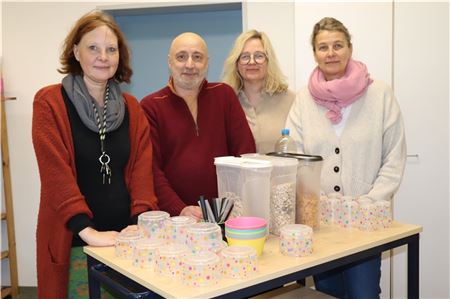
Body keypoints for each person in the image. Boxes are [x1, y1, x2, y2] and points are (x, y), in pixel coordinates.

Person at [32, 10, 158, 298]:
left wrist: (139, 225)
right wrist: (89, 233)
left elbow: (142, 172)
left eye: (111, 49)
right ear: (76, 51)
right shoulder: (49, 102)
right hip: (76, 239)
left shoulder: (132, 107)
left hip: (126, 241)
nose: (103, 56)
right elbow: (55, 175)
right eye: (93, 48)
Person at [285, 17, 406, 299]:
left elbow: (394, 156)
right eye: (323, 47)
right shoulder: (304, 99)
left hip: (366, 223)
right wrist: (313, 204)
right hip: (322, 224)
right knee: (327, 293)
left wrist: (370, 203)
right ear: (314, 53)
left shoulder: (380, 94)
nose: (331, 53)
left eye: (338, 45)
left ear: (350, 48)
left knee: (364, 294)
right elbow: (294, 155)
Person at [140, 32, 256, 219]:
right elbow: (151, 170)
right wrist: (180, 209)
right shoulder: (151, 106)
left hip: (228, 215)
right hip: (175, 220)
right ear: (170, 62)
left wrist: (233, 206)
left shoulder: (224, 96)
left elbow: (245, 154)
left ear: (207, 63)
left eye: (197, 57)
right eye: (181, 57)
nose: (190, 64)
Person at [222, 30, 295, 153]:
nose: (252, 62)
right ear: (236, 63)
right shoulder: (226, 102)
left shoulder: (291, 101)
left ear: (268, 61)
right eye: (245, 57)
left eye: (259, 56)